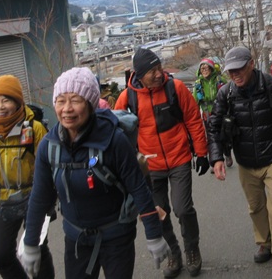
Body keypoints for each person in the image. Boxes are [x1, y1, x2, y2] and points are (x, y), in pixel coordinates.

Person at [20, 67, 171, 279]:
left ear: (90, 104)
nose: (67, 109)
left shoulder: (113, 140)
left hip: (117, 237)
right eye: (61, 101)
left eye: (75, 100)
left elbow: (138, 187)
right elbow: (40, 197)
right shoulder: (49, 146)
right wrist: (30, 243)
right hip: (77, 240)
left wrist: (154, 235)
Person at [206, 46, 272, 276]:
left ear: (251, 64)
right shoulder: (226, 93)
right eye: (230, 71)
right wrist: (216, 158)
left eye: (239, 69)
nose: (235, 74)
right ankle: (264, 241)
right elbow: (213, 127)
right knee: (256, 206)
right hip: (245, 160)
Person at [114, 47, 209, 278]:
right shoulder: (127, 97)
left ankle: (192, 249)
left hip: (179, 158)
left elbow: (193, 119)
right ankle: (173, 253)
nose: (159, 74)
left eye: (159, 68)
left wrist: (201, 153)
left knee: (183, 208)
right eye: (152, 71)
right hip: (149, 166)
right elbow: (117, 134)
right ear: (139, 74)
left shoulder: (175, 88)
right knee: (159, 211)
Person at [0, 75, 55, 279]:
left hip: (35, 197)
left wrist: (50, 198)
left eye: (6, 100)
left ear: (17, 103)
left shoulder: (34, 129)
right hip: (5, 199)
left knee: (37, 249)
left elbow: (49, 166)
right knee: (1, 255)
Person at [193, 58, 233, 168]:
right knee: (211, 138)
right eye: (202, 69)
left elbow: (229, 94)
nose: (204, 70)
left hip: (221, 112)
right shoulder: (198, 84)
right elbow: (194, 102)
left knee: (224, 135)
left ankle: (227, 153)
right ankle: (215, 161)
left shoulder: (220, 80)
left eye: (206, 68)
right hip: (207, 114)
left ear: (211, 69)